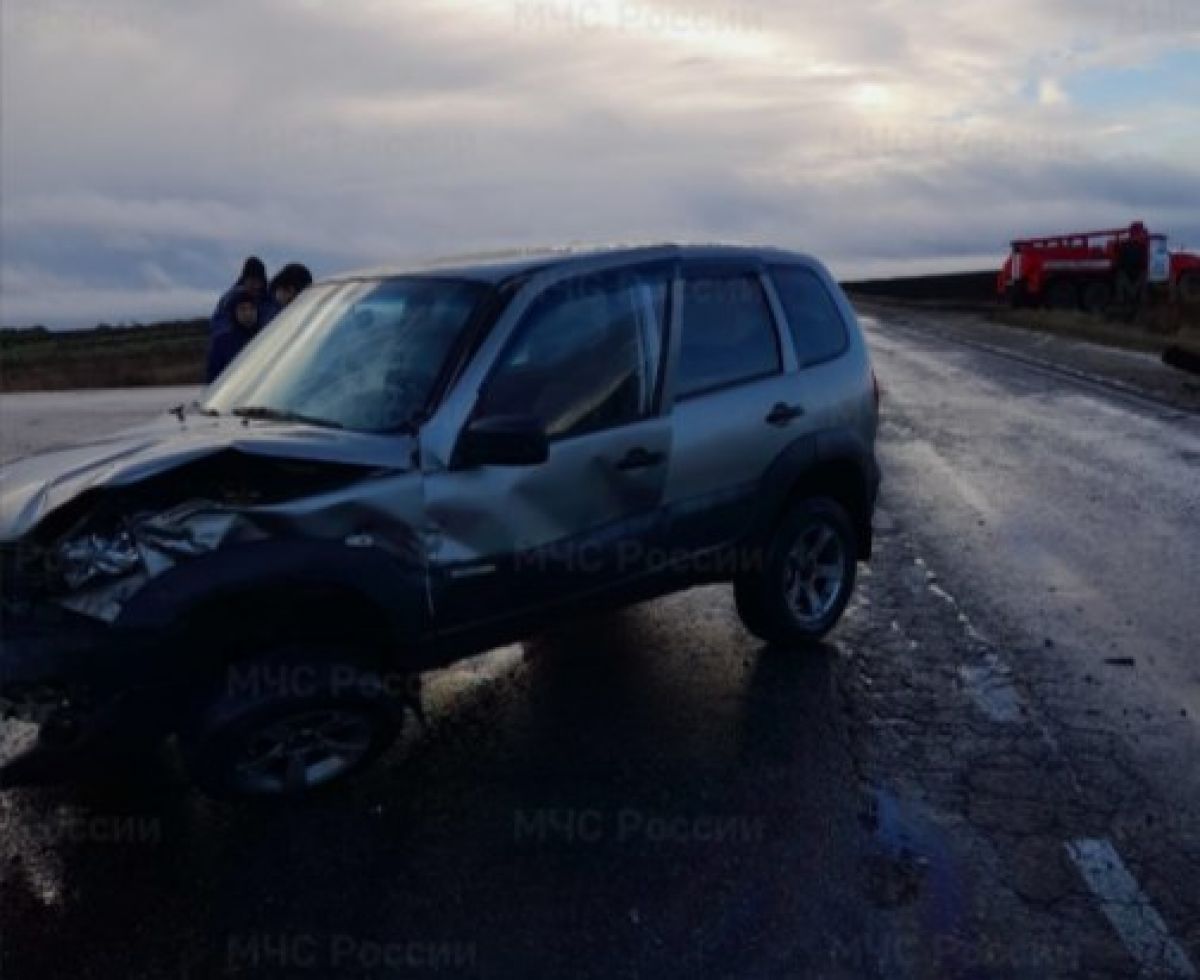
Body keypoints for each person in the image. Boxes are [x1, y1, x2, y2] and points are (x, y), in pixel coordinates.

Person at [206, 287, 261, 382]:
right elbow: (212, 377)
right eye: (243, 309)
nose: (248, 313)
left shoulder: (264, 337)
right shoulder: (221, 342)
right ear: (234, 312)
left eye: (252, 308)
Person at [210, 256, 268, 334]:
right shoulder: (230, 299)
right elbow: (219, 325)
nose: (256, 286)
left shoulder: (268, 300)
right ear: (245, 280)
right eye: (252, 282)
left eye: (259, 282)